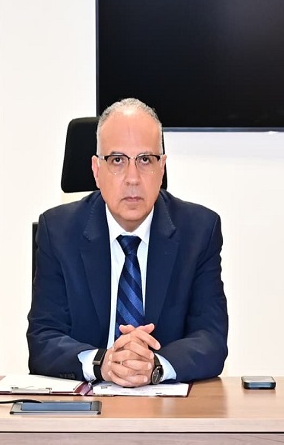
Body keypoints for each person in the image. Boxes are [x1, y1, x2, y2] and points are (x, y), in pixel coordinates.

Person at [27, 98, 228, 387]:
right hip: (87, 408)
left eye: (145, 160)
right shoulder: (58, 231)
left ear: (162, 168)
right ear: (96, 170)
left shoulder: (199, 231)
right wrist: (102, 363)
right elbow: (43, 339)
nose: (133, 178)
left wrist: (154, 365)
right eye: (117, 160)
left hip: (169, 410)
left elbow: (211, 338)